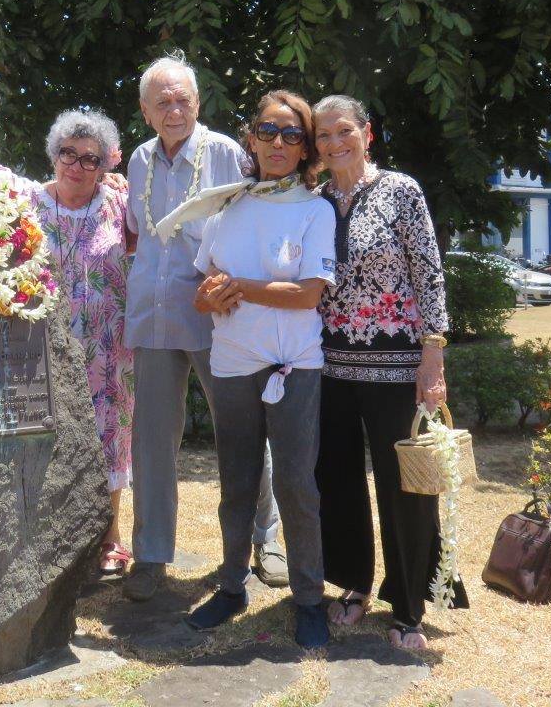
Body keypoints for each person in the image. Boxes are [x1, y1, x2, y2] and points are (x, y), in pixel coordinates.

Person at [170, 91, 334, 648]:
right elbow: (203, 285)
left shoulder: (315, 209)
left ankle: (309, 598)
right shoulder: (226, 207)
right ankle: (231, 586)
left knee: (295, 483)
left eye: (293, 135)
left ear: (306, 147)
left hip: (294, 366)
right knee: (236, 481)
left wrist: (242, 288)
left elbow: (310, 293)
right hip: (233, 363)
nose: (279, 143)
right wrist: (208, 299)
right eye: (269, 131)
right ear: (253, 137)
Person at [122, 53, 286, 602]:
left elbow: (252, 224)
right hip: (152, 315)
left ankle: (267, 542)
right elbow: (136, 235)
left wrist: (226, 281)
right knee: (149, 442)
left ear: (198, 104)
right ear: (146, 111)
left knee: (241, 434)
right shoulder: (139, 162)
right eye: (163, 100)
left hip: (217, 318)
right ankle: (150, 555)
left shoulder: (225, 154)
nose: (175, 109)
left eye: (183, 99)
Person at [311, 94, 468, 651]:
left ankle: (407, 606)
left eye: (344, 131)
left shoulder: (401, 191)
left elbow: (430, 274)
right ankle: (355, 583)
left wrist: (434, 356)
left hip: (398, 366)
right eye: (324, 135)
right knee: (338, 478)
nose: (334, 143)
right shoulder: (314, 199)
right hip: (328, 364)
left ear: (367, 134)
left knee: (407, 487)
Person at [33, 109, 134, 575]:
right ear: (55, 155)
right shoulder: (25, 204)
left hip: (109, 347)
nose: (76, 165)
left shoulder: (119, 203)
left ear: (105, 165)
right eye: (68, 153)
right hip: (43, 348)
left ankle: (111, 535)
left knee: (110, 436)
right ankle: (50, 534)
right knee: (48, 435)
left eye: (89, 159)